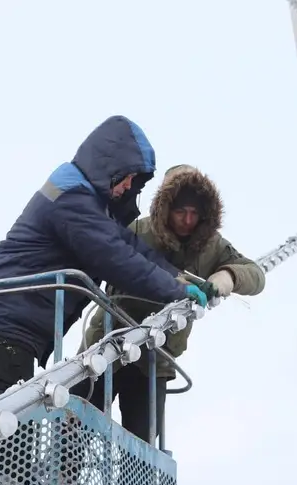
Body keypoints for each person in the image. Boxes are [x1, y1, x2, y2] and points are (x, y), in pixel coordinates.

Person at [0, 117, 208, 405]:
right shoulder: (73, 200)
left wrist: (180, 277)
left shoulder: (85, 199)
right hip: (8, 320)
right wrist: (175, 291)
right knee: (8, 431)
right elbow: (117, 258)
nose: (129, 186)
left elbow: (128, 245)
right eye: (128, 175)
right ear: (109, 164)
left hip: (3, 317)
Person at [70, 163, 266, 444]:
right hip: (107, 344)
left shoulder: (213, 246)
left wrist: (229, 276)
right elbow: (109, 261)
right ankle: (61, 481)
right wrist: (174, 284)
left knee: (141, 445)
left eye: (194, 213)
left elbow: (256, 275)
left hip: (155, 360)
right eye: (179, 211)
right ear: (165, 207)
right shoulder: (138, 231)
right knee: (76, 426)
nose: (187, 220)